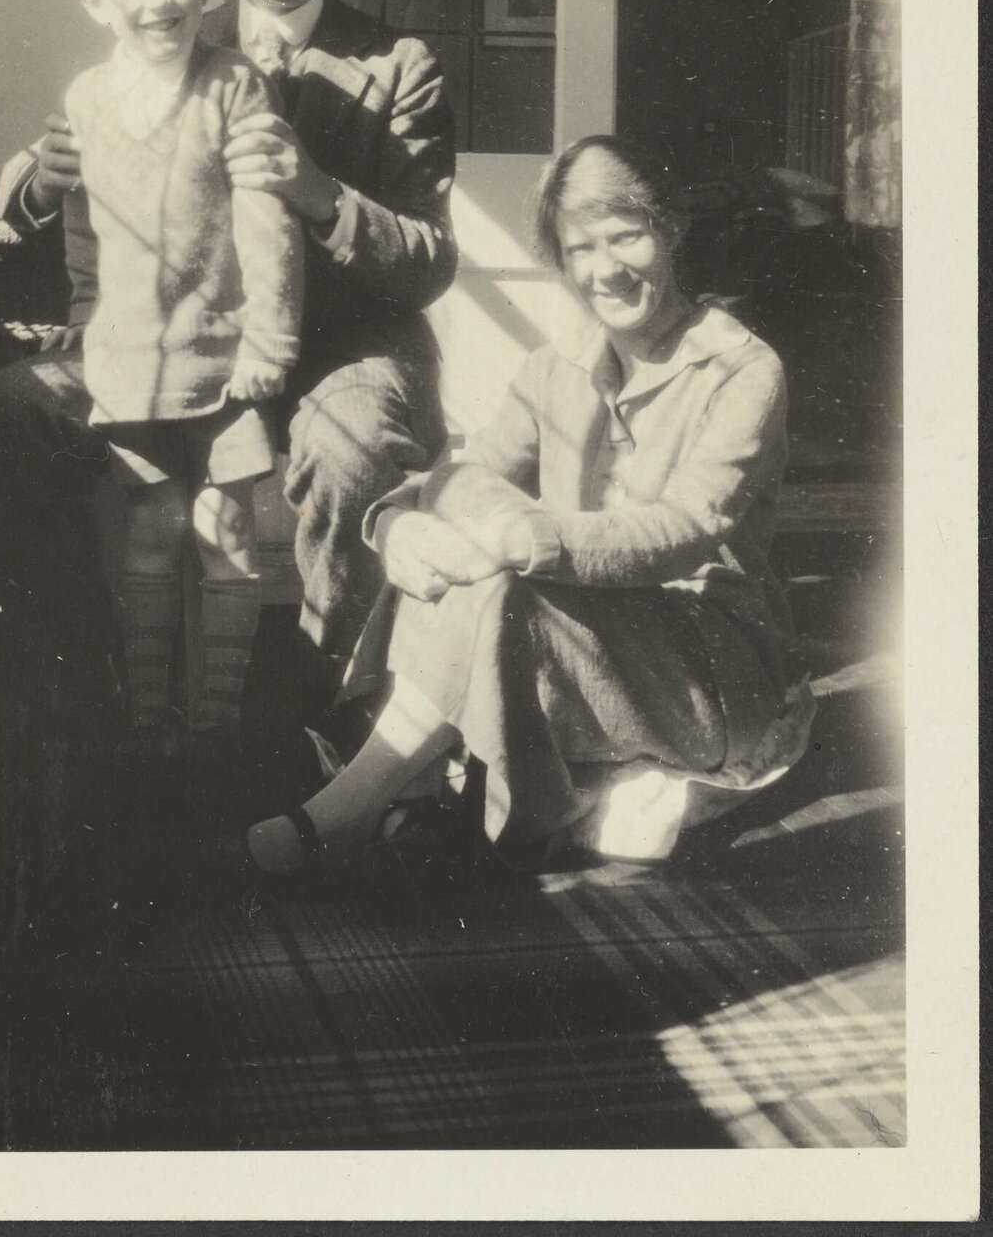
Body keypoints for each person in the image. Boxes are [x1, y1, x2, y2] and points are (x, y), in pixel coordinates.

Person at [0, 0, 456, 739]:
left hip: (334, 346)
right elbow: (37, 179)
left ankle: (333, 719)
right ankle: (86, 690)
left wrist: (317, 192)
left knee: (355, 442)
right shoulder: (159, 21)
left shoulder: (399, 67)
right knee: (18, 407)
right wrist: (41, 175)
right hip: (173, 334)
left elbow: (429, 260)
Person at [240, 135, 815, 880]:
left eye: (626, 236)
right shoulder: (559, 364)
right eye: (580, 249)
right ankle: (388, 796)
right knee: (455, 543)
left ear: (670, 231)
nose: (604, 269)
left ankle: (354, 807)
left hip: (710, 664)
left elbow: (685, 529)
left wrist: (520, 537)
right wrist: (398, 521)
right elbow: (467, 472)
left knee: (498, 579)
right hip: (593, 637)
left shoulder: (741, 368)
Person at [57, 0, 301, 742]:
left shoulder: (233, 82)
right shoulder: (87, 98)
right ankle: (150, 720)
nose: (156, 0)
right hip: (130, 360)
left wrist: (269, 339)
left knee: (226, 529)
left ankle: (216, 726)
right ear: (96, 3)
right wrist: (85, 317)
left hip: (225, 356)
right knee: (153, 529)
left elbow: (266, 218)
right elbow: (80, 221)